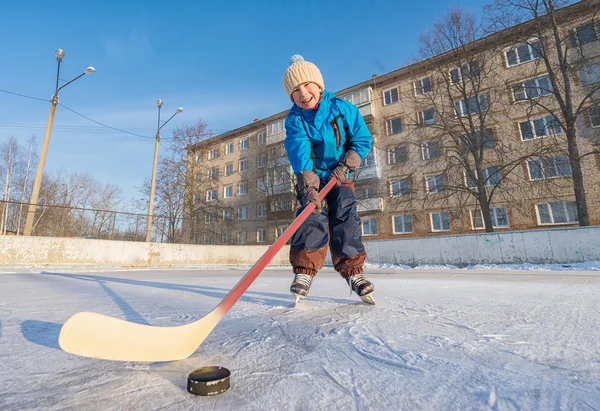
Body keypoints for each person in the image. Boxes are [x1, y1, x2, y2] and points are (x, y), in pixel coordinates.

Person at [282, 54, 375, 304]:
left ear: (319, 85)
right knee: (311, 217)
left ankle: (354, 272)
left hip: (340, 175)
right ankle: (304, 272)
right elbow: (299, 151)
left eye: (306, 85)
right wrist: (309, 186)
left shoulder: (342, 108)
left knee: (345, 217)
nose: (302, 93)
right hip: (313, 178)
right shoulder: (295, 120)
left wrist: (348, 163)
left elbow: (362, 139)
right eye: (295, 91)